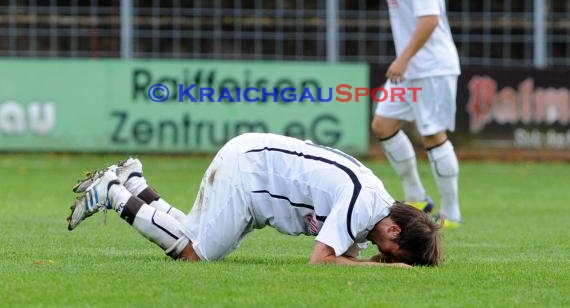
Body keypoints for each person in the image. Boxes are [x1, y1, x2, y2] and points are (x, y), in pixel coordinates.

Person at [67, 132, 442, 267]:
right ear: (393, 228)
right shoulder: (365, 205)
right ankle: (113, 194)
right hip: (249, 175)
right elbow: (321, 261)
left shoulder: (373, 210)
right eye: (392, 252)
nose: (385, 256)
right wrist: (382, 271)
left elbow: (347, 257)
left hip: (252, 164)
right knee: (194, 253)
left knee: (189, 231)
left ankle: (134, 182)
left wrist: (369, 264)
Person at [371, 0, 462, 228]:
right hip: (410, 67)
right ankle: (416, 197)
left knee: (433, 135)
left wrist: (404, 58)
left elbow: (430, 19)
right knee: (383, 125)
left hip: (430, 67)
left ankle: (451, 214)